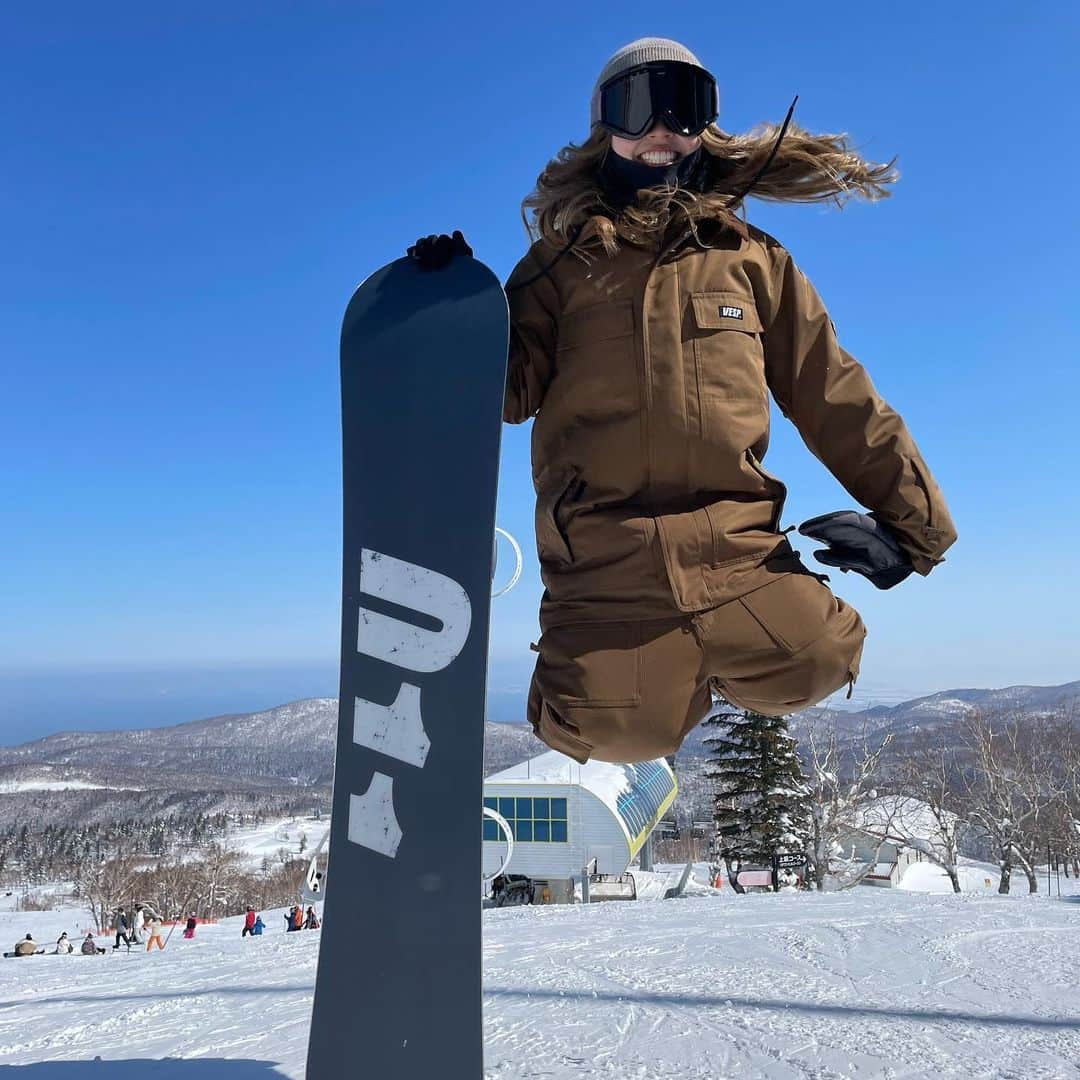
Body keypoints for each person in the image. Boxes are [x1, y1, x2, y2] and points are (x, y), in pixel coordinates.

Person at [408, 37, 956, 765]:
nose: (662, 127)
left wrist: (915, 532)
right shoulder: (556, 270)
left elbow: (835, 392)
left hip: (735, 551)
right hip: (607, 567)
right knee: (600, 733)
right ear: (606, 124)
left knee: (822, 657)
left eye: (685, 106)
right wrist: (458, 313)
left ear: (708, 124)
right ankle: (646, 680)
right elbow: (507, 395)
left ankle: (704, 661)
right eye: (639, 106)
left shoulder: (753, 262)